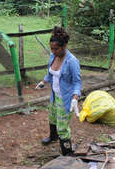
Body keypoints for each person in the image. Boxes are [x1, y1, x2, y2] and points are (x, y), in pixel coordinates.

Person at [35, 26, 82, 155]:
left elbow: (77, 82)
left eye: (56, 49)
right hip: (54, 95)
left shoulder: (72, 61)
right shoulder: (53, 56)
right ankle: (53, 137)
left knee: (62, 127)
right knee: (52, 118)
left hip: (65, 98)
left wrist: (75, 98)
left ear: (64, 46)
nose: (53, 51)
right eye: (52, 48)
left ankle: (67, 152)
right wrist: (44, 82)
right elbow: (50, 73)